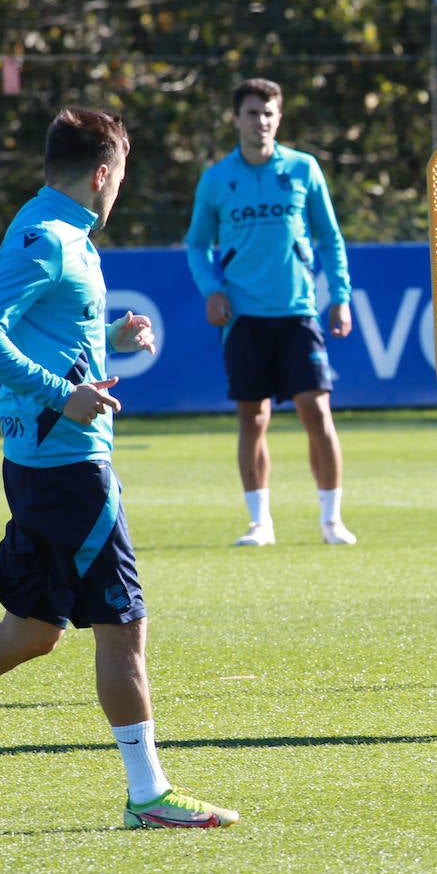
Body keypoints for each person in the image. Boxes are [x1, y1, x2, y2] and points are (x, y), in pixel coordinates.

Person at [0, 108, 239, 829]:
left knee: (32, 631)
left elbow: (51, 333)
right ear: (100, 174)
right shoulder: (51, 239)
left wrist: (110, 337)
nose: (118, 190)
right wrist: (66, 394)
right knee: (124, 625)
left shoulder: (53, 227)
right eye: (119, 177)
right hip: (67, 464)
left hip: (45, 459)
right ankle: (147, 793)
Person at [185, 77, 357, 548]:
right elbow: (197, 244)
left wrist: (339, 294)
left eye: (268, 113)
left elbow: (329, 237)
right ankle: (260, 522)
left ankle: (331, 519)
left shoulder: (304, 169)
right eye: (251, 113)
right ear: (236, 118)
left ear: (278, 118)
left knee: (316, 411)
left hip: (299, 312)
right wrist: (212, 289)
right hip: (244, 317)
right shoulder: (218, 178)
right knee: (252, 417)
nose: (260, 121)